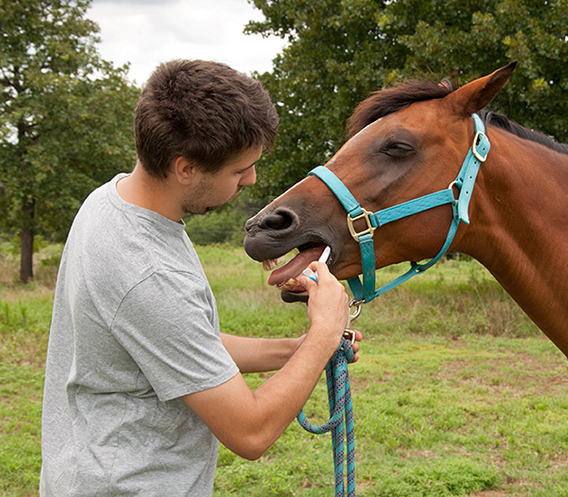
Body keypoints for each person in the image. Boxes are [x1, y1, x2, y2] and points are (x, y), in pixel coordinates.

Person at [39, 59, 360, 496]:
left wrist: (299, 350)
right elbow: (251, 432)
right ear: (185, 168)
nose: (251, 179)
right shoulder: (148, 271)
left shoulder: (111, 202)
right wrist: (324, 333)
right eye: (238, 170)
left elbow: (183, 342)